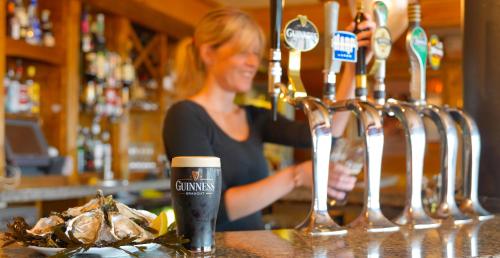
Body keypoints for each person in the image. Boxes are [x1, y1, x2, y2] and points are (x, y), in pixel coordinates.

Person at [163, 8, 375, 231]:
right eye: (243, 52)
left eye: (256, 53)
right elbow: (209, 209)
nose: (253, 62)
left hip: (253, 248)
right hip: (212, 251)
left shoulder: (254, 117)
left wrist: (353, 66)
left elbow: (324, 133)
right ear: (208, 53)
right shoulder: (184, 116)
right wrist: (295, 176)